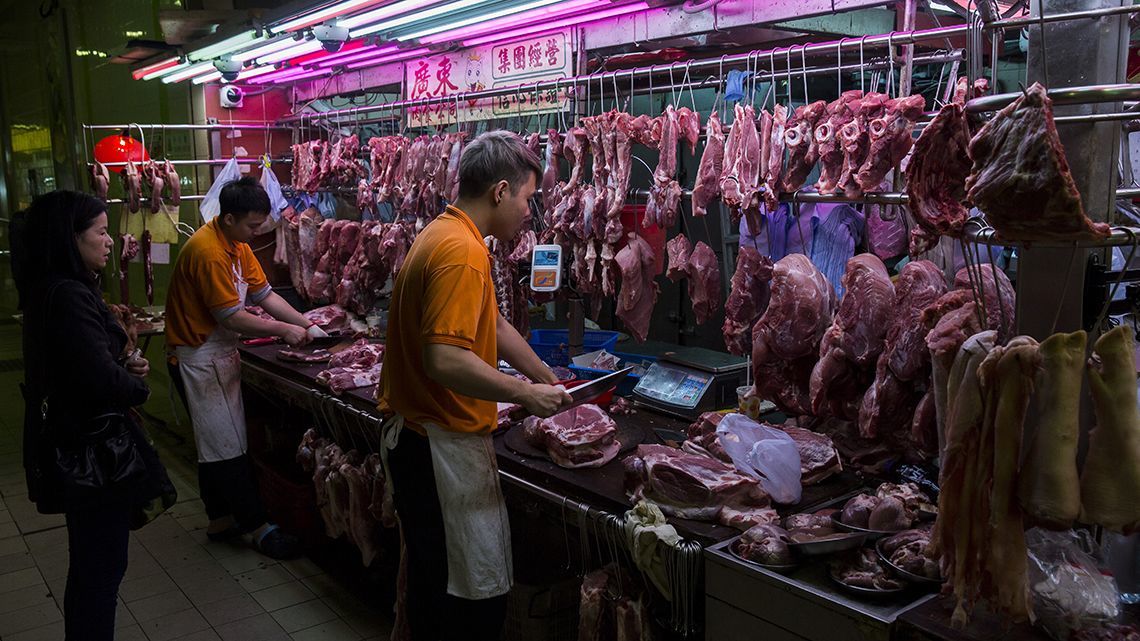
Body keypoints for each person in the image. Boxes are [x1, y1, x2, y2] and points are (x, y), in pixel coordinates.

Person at [377, 131, 572, 641]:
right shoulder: (462, 253)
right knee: (465, 597)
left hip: (423, 438)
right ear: (500, 192)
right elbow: (444, 359)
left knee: (439, 584)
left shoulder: (447, 233)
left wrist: (546, 378)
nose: (530, 212)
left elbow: (498, 327)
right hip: (437, 449)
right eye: (529, 198)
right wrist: (527, 396)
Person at [15, 191, 154, 640]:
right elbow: (98, 380)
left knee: (93, 567)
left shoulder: (49, 288)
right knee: (100, 571)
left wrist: (120, 364)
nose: (109, 240)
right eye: (99, 231)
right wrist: (136, 383)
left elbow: (82, 365)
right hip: (92, 454)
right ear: (71, 239)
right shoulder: (69, 296)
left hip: (75, 442)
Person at [165, 176, 319, 559]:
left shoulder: (235, 244)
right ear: (229, 217)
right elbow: (232, 317)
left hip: (217, 355)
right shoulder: (208, 251)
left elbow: (264, 296)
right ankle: (259, 528)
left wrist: (304, 323)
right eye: (252, 226)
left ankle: (219, 519)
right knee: (228, 447)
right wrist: (285, 331)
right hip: (199, 358)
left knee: (215, 445)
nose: (256, 233)